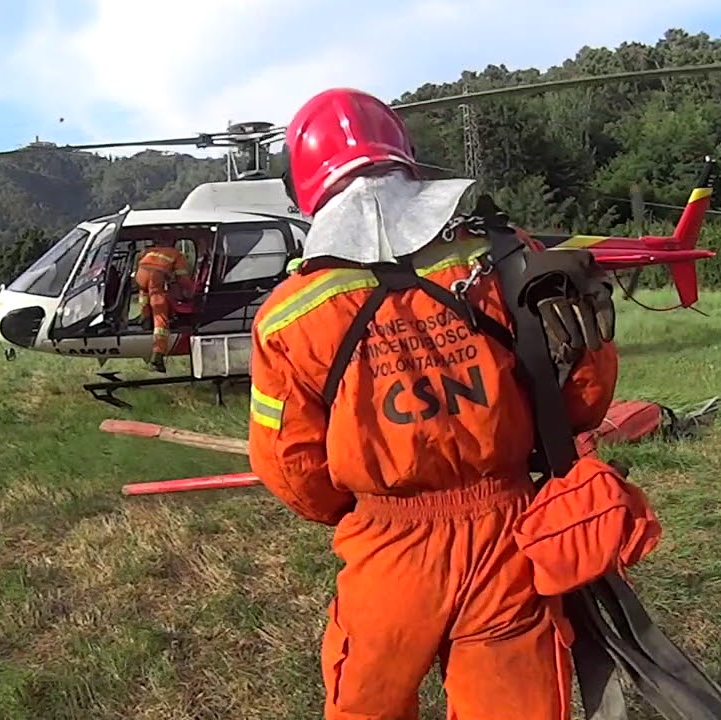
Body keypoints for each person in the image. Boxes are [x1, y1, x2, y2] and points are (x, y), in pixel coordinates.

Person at [247, 88, 621, 719]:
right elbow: (582, 399)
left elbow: (290, 468)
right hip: (509, 538)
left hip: (387, 547)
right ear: (407, 159)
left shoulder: (289, 316)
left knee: (367, 703)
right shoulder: (507, 258)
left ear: (306, 188)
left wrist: (365, 509)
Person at [135, 238, 194, 372]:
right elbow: (182, 277)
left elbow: (140, 263)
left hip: (140, 276)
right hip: (155, 278)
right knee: (160, 316)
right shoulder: (176, 254)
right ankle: (157, 355)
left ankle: (145, 319)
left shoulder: (149, 251)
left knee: (144, 297)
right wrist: (191, 291)